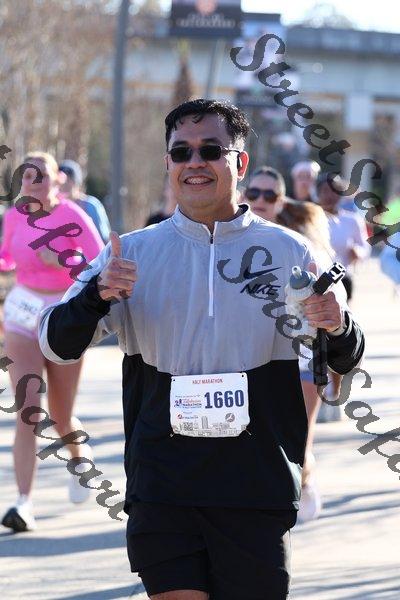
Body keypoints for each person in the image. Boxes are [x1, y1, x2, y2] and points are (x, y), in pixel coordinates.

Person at [39, 99, 364, 600]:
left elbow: (344, 357)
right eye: (181, 151)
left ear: (240, 162)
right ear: (167, 162)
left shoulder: (292, 252)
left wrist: (337, 325)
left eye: (211, 150)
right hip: (163, 482)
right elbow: (55, 344)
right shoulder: (132, 252)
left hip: (254, 484)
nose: (195, 162)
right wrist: (95, 296)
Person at [0, 151, 104, 532]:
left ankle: (78, 457)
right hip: (23, 311)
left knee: (60, 414)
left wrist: (63, 259)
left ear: (57, 180)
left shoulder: (73, 216)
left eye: (41, 175)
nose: (34, 182)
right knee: (28, 409)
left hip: (63, 316)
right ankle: (23, 502)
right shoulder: (14, 217)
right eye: (27, 176)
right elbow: (6, 258)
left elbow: (100, 263)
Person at [277, 200, 336, 522]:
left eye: (269, 196)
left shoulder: (302, 249)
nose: (260, 201)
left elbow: (337, 309)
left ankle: (305, 477)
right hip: (259, 363)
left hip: (304, 362)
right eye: (254, 194)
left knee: (299, 439)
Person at [316, 173, 370, 420]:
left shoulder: (351, 220)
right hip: (314, 285)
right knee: (315, 342)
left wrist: (357, 251)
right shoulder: (310, 216)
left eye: (333, 191)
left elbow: (364, 247)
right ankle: (318, 394)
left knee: (337, 339)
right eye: (324, 191)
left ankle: (335, 391)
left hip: (343, 284)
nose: (328, 196)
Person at [59, 159, 111, 244]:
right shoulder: (55, 208)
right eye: (61, 180)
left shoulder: (91, 205)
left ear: (77, 182)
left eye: (69, 179)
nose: (64, 184)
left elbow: (104, 239)